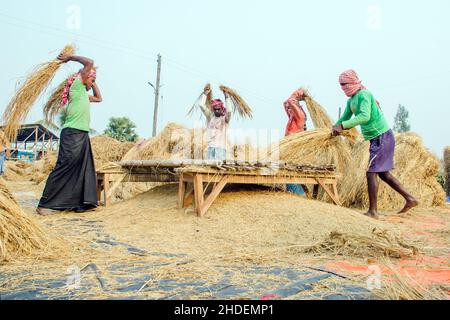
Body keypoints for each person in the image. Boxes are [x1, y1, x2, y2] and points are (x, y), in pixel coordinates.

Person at [332, 69, 418, 219]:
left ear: (353, 82)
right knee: (384, 174)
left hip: (383, 136)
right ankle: (410, 199)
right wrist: (335, 127)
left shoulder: (364, 95)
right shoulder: (351, 100)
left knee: (371, 172)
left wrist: (343, 126)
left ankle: (373, 211)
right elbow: (345, 117)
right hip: (375, 138)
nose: (343, 87)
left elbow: (365, 117)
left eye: (344, 84)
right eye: (340, 85)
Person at [36, 54, 103, 216]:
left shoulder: (84, 96)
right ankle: (44, 204)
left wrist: (93, 81)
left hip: (82, 134)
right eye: (90, 79)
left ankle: (76, 203)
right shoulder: (77, 86)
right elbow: (90, 62)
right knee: (64, 165)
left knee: (81, 168)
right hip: (72, 133)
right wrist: (69, 57)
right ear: (82, 77)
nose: (91, 83)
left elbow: (99, 98)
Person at [197, 87, 232, 161]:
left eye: (218, 109)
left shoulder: (225, 119)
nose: (216, 111)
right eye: (215, 109)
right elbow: (201, 106)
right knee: (209, 167)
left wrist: (227, 96)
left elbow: (229, 111)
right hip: (211, 148)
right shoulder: (210, 117)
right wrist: (205, 94)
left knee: (219, 169)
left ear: (222, 108)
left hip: (221, 149)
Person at [284, 89, 308, 196]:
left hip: (294, 148)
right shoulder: (292, 116)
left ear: (296, 107)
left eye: (290, 108)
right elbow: (286, 103)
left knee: (290, 171)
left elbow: (289, 101)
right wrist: (294, 99)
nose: (288, 109)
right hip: (289, 147)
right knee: (288, 171)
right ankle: (297, 192)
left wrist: (297, 94)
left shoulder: (300, 116)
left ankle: (299, 194)